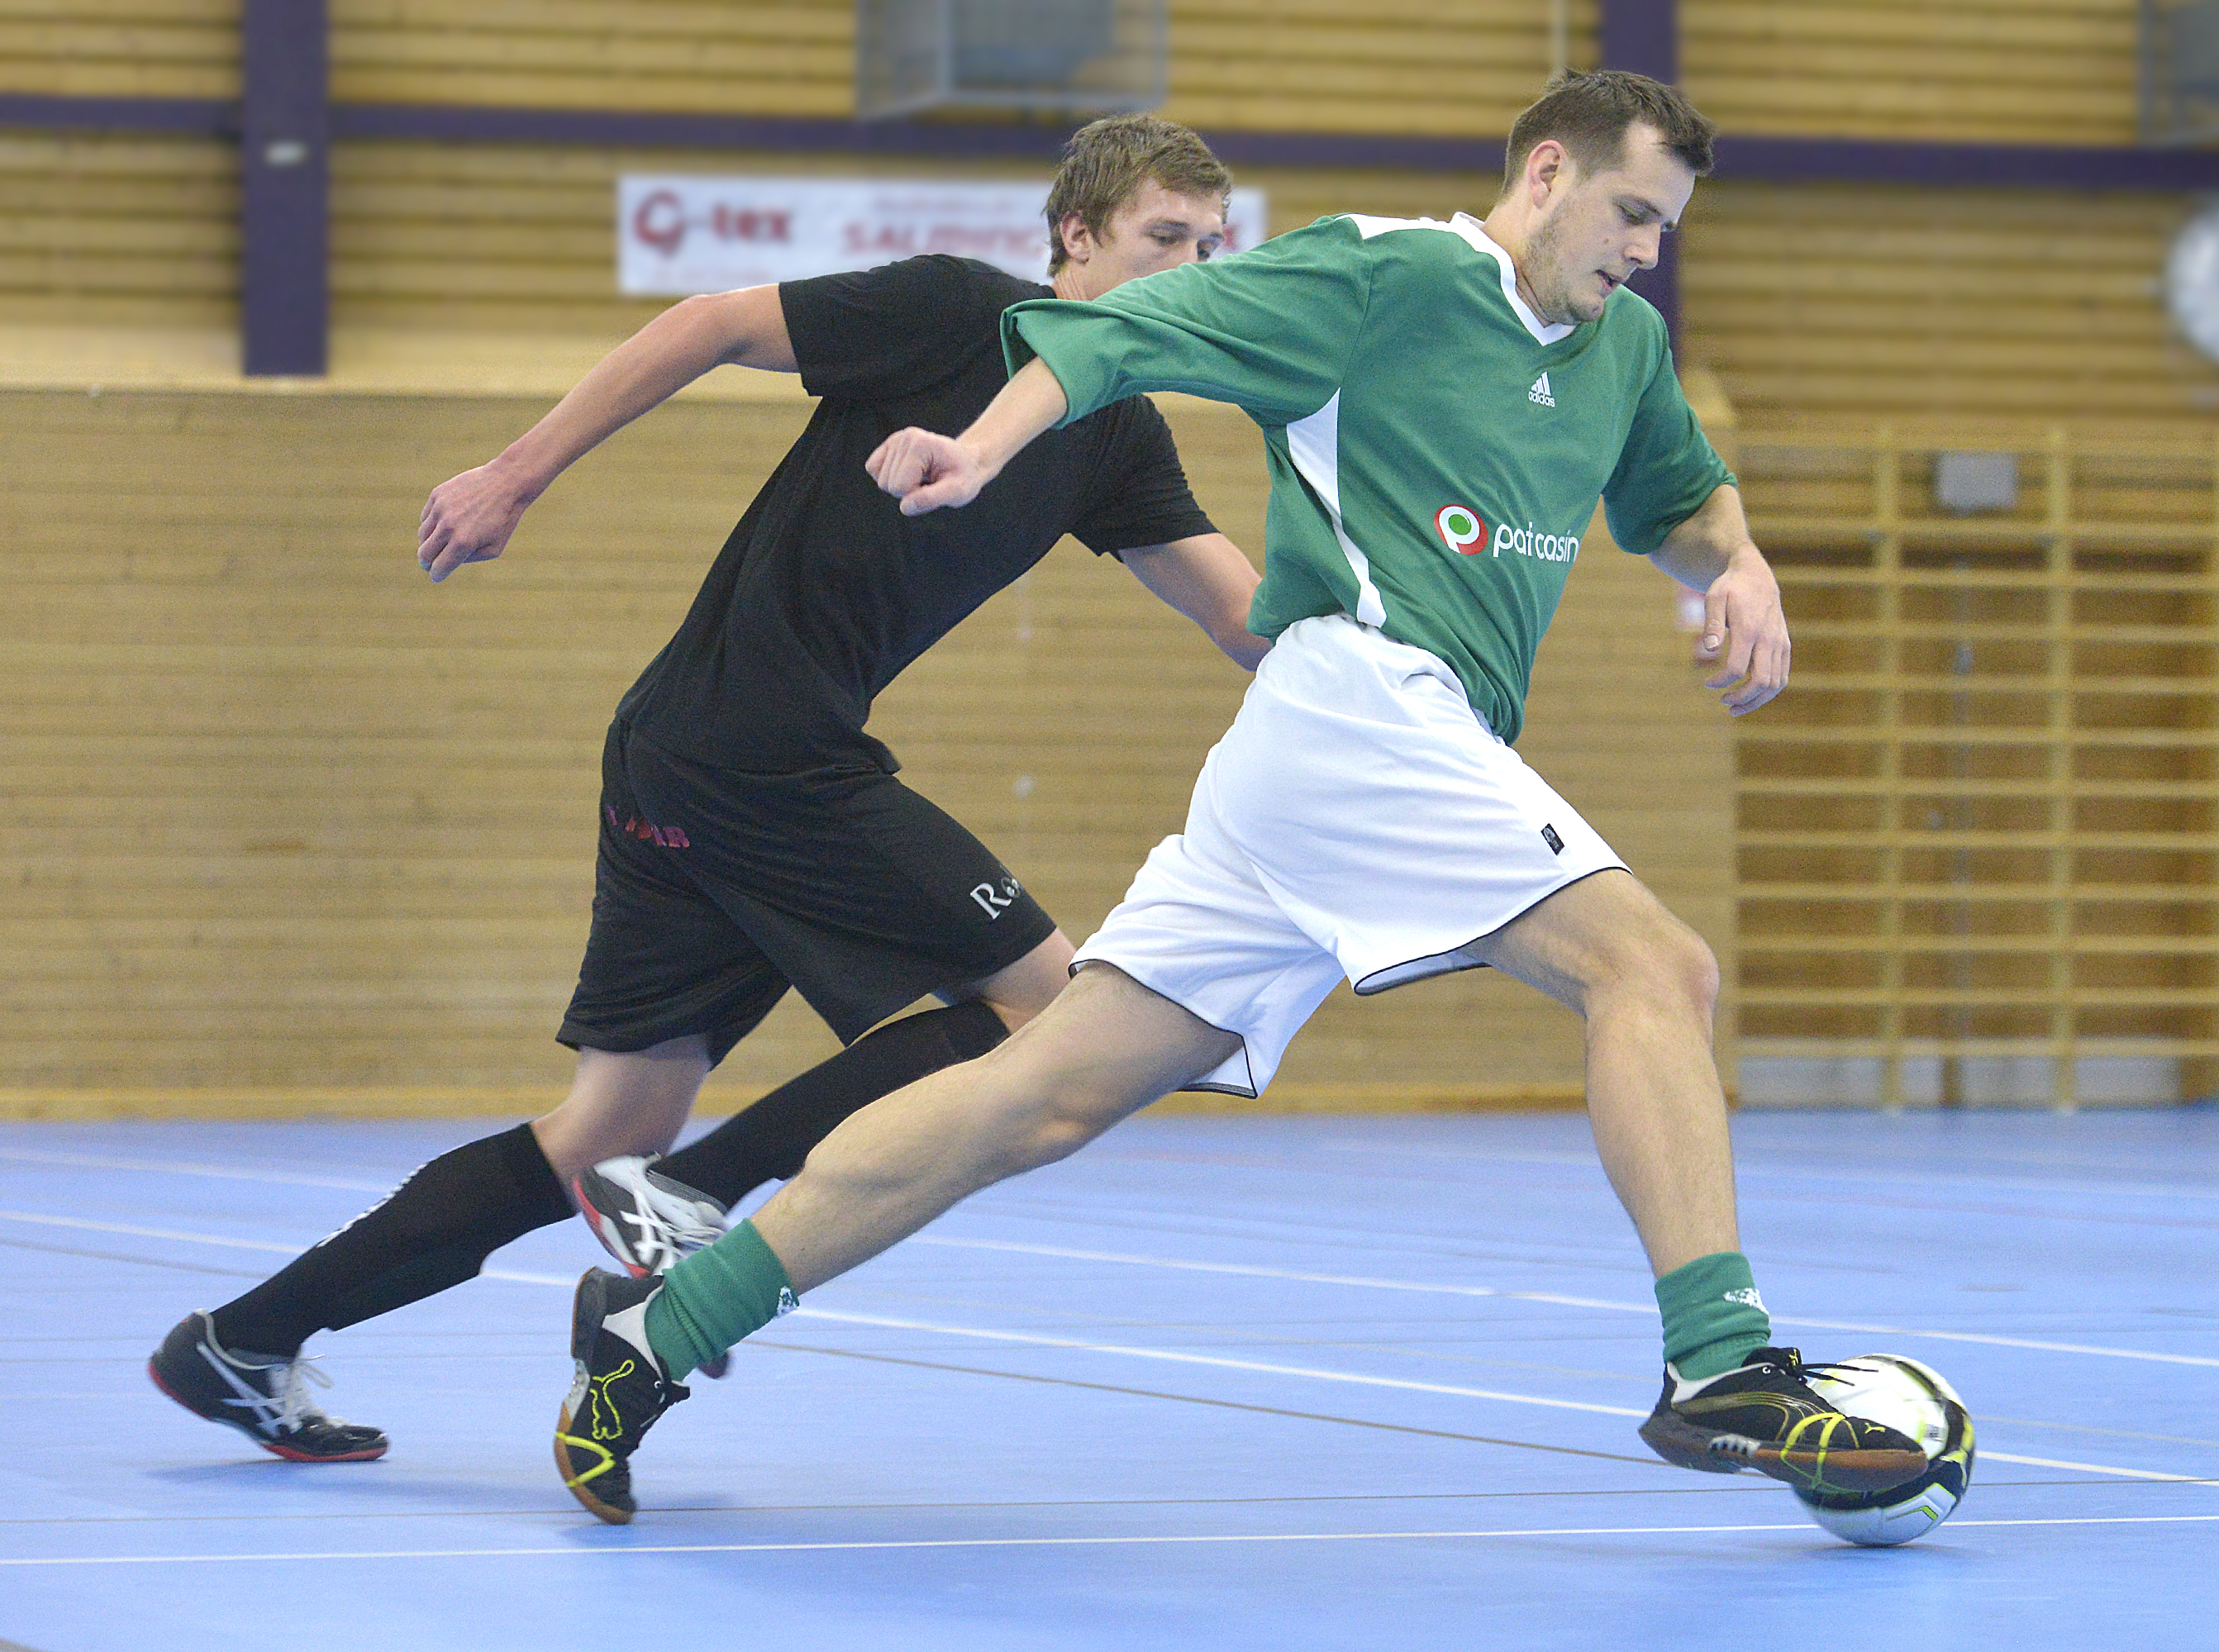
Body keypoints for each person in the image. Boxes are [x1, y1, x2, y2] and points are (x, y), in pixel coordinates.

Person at [550, 69, 1940, 1527]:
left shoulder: (1625, 345)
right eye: (1631, 211)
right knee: (1653, 966)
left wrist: (1741, 563)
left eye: (1665, 226)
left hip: (1318, 770)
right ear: (1544, 171)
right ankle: (1718, 1363)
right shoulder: (1382, 276)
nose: (1645, 247)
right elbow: (1119, 329)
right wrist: (979, 446)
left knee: (1034, 1101)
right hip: (1365, 702)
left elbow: (1676, 500)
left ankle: (658, 1332)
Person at [147, 115, 1267, 1464]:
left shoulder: (1118, 430)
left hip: (680, 753)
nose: (1191, 268)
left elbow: (1237, 617)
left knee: (598, 1133)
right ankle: (688, 1196)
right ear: (1076, 236)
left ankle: (243, 1338)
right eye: (1162, 239)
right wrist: (516, 472)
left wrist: (1403, 665)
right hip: (761, 752)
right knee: (1040, 1009)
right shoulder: (958, 313)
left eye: (1211, 248)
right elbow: (710, 323)